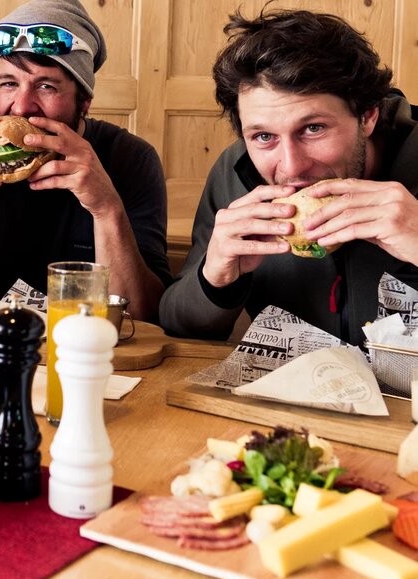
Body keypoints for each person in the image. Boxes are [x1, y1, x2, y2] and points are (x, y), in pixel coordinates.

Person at [159, 8, 418, 345]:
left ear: (367, 116)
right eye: (264, 137)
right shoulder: (235, 173)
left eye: (313, 128)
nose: (291, 167)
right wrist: (215, 279)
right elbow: (178, 325)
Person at [0, 0, 170, 321]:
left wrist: (106, 209)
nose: (22, 107)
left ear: (83, 102)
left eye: (46, 86)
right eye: (9, 84)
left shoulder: (131, 159)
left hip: (90, 354)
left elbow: (143, 317)